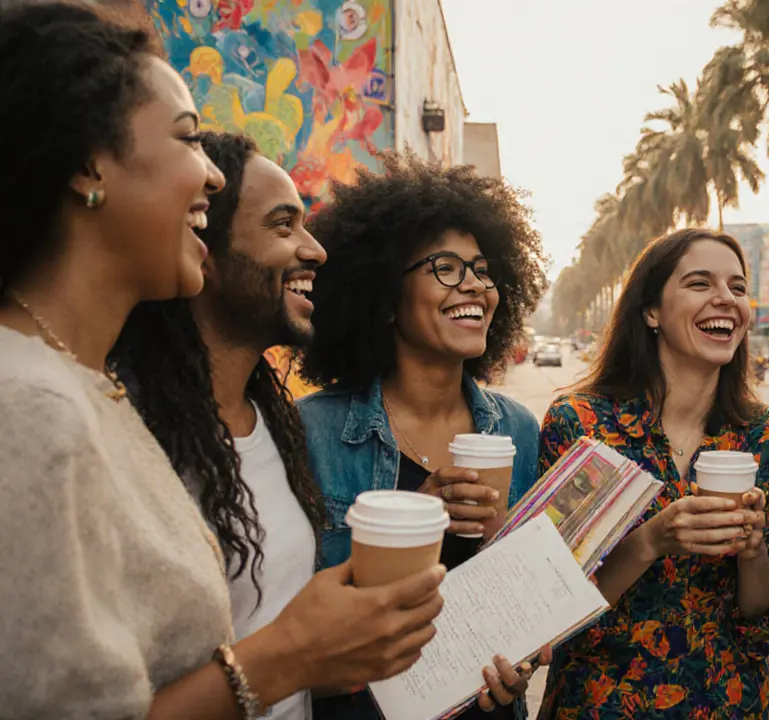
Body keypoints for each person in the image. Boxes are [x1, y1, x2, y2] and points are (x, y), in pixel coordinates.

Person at [0, 4, 443, 718]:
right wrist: (285, 653)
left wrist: (336, 645)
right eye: (186, 139)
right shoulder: (28, 407)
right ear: (90, 162)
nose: (209, 175)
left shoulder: (90, 389)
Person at [297, 154, 551, 720]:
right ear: (384, 297)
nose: (476, 287)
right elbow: (285, 624)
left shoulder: (517, 430)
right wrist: (414, 518)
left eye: (483, 270)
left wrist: (523, 663)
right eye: (445, 267)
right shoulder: (311, 431)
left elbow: (524, 606)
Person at [111, 131, 337, 718]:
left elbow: (278, 643)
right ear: (202, 250)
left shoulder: (273, 422)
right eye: (284, 226)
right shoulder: (129, 434)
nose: (314, 250)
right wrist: (296, 651)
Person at [536, 228, 769, 719]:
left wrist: (754, 551)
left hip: (734, 705)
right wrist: (649, 542)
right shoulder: (582, 427)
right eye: (700, 284)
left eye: (738, 287)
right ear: (651, 310)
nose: (725, 299)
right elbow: (556, 613)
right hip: (600, 705)